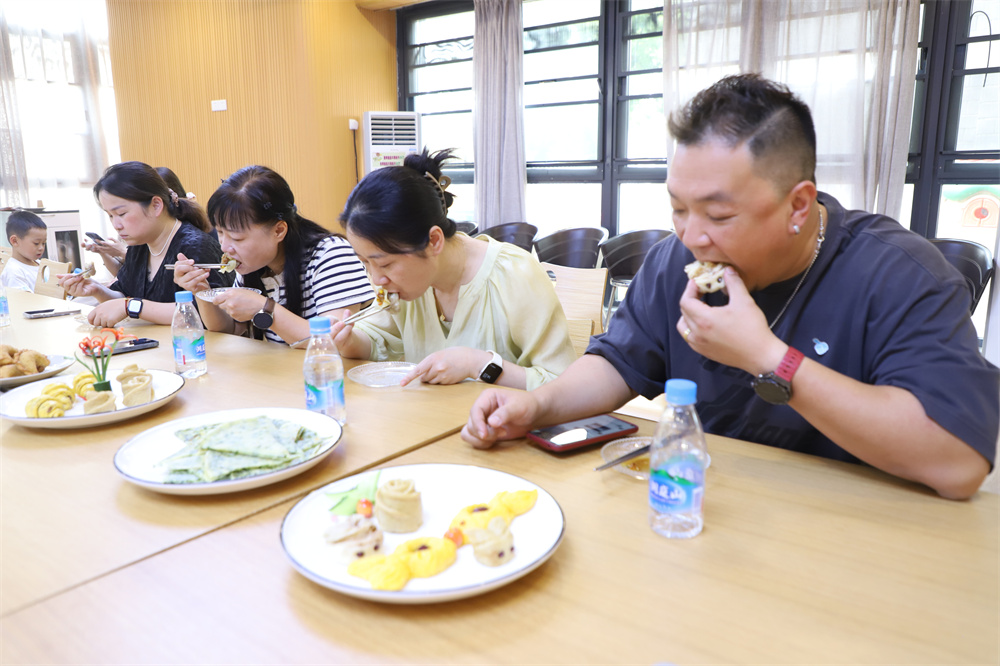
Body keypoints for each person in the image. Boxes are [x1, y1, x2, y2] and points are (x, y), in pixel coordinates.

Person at [462, 74, 999, 500]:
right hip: (709, 507)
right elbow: (618, 363)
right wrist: (539, 406)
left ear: (798, 205)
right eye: (678, 208)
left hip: (858, 531)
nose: (691, 236)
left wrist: (769, 358)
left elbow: (957, 463)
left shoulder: (899, 274)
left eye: (718, 215)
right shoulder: (676, 261)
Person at [331, 148, 576, 390]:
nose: (376, 278)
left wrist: (477, 364)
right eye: (365, 262)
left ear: (434, 241)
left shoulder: (515, 274)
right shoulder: (405, 286)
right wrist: (348, 340)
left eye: (385, 264)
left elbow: (565, 386)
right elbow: (378, 339)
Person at [173, 165, 375, 345]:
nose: (225, 247)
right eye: (220, 232)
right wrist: (201, 291)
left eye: (237, 237)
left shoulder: (330, 254)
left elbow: (333, 340)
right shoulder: (254, 265)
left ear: (278, 230)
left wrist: (264, 307)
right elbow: (231, 329)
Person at [58, 161, 230, 326]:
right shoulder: (139, 245)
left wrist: (132, 306)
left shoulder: (195, 245)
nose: (116, 225)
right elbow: (124, 297)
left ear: (156, 205)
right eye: (110, 215)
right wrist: (96, 289)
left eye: (121, 213)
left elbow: (205, 312)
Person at [1, 210, 47, 291]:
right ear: (15, 241)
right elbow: (23, 298)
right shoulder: (14, 272)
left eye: (43, 243)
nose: (41, 248)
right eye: (36, 243)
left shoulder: (40, 264)